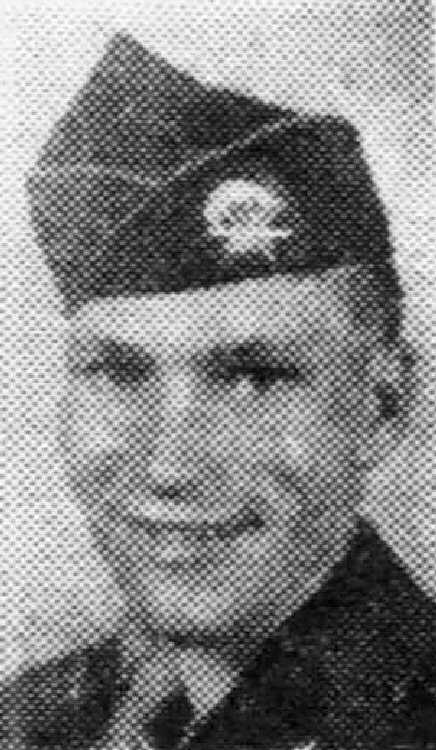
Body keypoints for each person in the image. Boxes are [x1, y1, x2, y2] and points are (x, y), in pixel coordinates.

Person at [2, 32, 435, 750]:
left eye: (252, 378)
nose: (170, 466)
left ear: (381, 407)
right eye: (118, 372)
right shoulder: (36, 719)